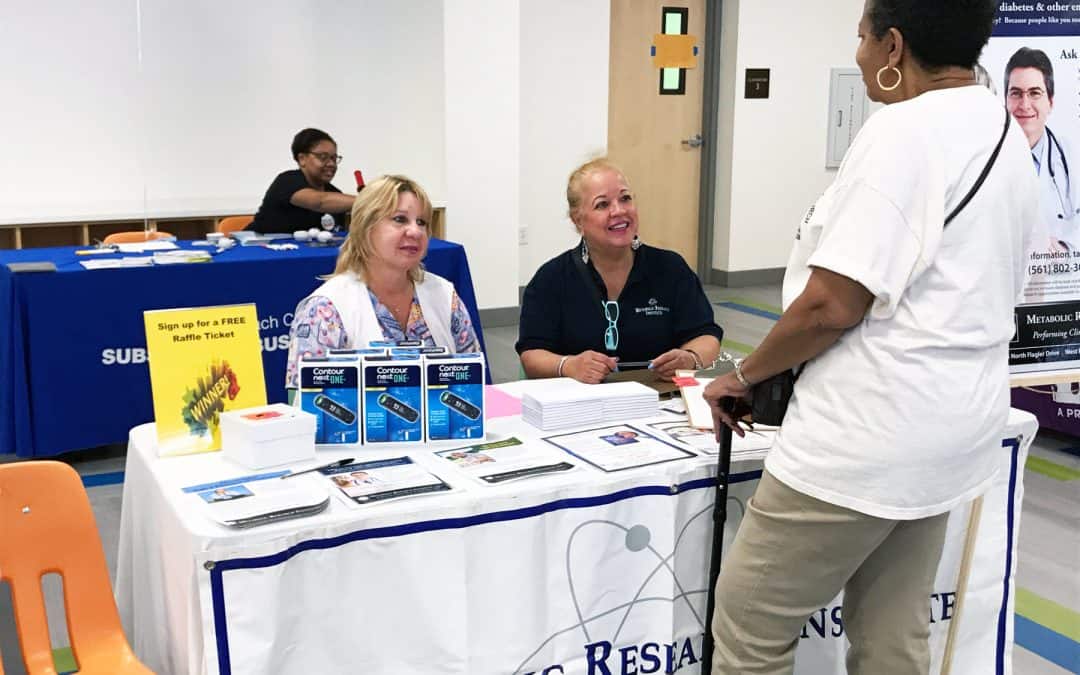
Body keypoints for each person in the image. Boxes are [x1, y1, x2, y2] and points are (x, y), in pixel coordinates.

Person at [702, 1, 1037, 672]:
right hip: (952, 430)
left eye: (860, 37)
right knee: (892, 627)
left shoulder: (904, 132)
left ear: (893, 45)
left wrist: (742, 376)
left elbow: (831, 304)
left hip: (866, 437)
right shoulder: (1002, 128)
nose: (855, 53)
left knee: (750, 624)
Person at [516, 158, 722, 384]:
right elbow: (532, 354)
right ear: (578, 220)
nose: (618, 211)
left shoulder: (670, 268)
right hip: (580, 403)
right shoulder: (551, 278)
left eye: (625, 199)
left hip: (658, 400)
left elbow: (705, 335)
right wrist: (569, 365)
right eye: (602, 204)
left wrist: (690, 358)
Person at [285, 175, 480, 391]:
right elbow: (306, 407)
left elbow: (472, 385)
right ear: (366, 227)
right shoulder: (324, 309)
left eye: (421, 222)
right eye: (399, 219)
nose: (415, 231)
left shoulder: (444, 294)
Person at [1005, 47, 1080, 250]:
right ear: (1005, 100)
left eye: (1034, 93)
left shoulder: (1072, 155)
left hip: (1059, 277)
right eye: (1016, 94)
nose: (1025, 104)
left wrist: (1064, 247)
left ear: (1050, 102)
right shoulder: (984, 157)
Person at [249, 128, 356, 234]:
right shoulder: (287, 181)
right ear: (302, 159)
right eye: (323, 157)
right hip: (255, 247)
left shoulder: (335, 194)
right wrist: (368, 199)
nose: (332, 164)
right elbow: (320, 202)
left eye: (334, 158)